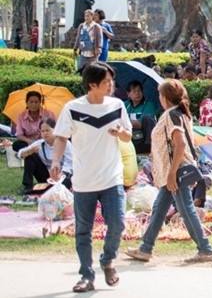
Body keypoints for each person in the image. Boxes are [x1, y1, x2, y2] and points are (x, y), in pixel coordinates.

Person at [50, 62, 132, 294]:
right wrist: (56, 161)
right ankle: (86, 275)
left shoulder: (116, 105)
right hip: (84, 179)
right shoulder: (73, 108)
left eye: (111, 81)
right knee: (83, 230)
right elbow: (61, 137)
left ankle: (107, 260)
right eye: (106, 82)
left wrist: (121, 133)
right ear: (92, 84)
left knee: (117, 223)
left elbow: (127, 136)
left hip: (112, 178)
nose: (111, 85)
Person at [125, 79, 212, 264]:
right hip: (171, 171)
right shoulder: (180, 113)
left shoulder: (172, 115)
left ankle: (205, 249)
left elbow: (180, 144)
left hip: (175, 171)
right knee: (159, 208)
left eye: (160, 95)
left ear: (165, 97)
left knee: (185, 209)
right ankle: (145, 248)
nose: (159, 98)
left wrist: (172, 173)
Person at [17, 117, 73, 194]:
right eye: (42, 131)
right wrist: (30, 151)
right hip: (47, 175)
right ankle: (28, 186)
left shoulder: (64, 143)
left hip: (62, 175)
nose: (45, 133)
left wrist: (61, 175)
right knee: (30, 156)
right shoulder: (40, 143)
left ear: (55, 130)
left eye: (48, 130)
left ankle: (53, 189)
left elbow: (70, 163)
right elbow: (20, 154)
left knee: (64, 184)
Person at [10, 90, 55, 156]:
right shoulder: (21, 116)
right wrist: (30, 141)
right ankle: (34, 151)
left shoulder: (49, 114)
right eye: (31, 102)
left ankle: (31, 152)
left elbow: (54, 132)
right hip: (29, 143)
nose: (33, 104)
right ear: (27, 103)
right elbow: (19, 135)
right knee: (16, 145)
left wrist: (42, 141)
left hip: (45, 141)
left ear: (40, 103)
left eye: (36, 102)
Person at [124, 81, 158, 153]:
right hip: (129, 137)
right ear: (128, 94)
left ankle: (153, 149)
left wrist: (126, 121)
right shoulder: (125, 105)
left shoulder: (148, 104)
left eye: (139, 90)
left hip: (145, 139)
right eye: (134, 91)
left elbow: (141, 124)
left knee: (147, 118)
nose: (137, 93)